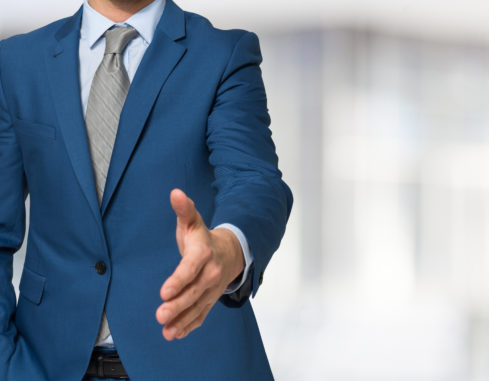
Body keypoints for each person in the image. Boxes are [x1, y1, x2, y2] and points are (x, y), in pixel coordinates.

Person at [0, 0, 293, 379]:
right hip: (42, 366)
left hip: (194, 363)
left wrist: (229, 247)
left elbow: (255, 180)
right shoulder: (17, 62)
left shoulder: (223, 55)